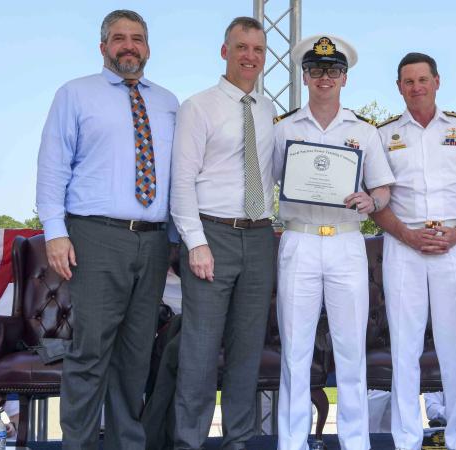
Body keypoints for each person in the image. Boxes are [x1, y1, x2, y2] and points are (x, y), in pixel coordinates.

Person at [35, 9, 178, 449]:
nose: (128, 46)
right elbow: (52, 166)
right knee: (90, 352)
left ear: (148, 48)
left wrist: (177, 240)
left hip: (154, 242)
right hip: (96, 236)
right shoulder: (75, 94)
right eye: (119, 38)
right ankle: (76, 444)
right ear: (103, 48)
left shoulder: (169, 102)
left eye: (137, 38)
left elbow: (179, 176)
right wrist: (55, 232)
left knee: (135, 356)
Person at [272, 34, 394, 450]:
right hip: (300, 240)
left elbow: (383, 191)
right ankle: (292, 442)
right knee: (295, 352)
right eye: (317, 70)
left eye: (333, 70)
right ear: (305, 75)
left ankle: (355, 443)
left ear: (345, 77)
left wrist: (370, 199)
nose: (325, 77)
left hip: (345, 242)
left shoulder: (364, 131)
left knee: (350, 352)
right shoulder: (284, 127)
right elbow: (269, 180)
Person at [372, 52, 456, 450]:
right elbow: (378, 201)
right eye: (408, 82)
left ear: (437, 82)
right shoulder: (384, 134)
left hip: (453, 246)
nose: (416, 88)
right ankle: (407, 438)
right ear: (399, 87)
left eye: (423, 80)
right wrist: (407, 235)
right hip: (404, 247)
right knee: (405, 347)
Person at [170, 17, 277, 450]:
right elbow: (182, 181)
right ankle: (188, 443)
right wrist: (195, 243)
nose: (249, 56)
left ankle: (238, 441)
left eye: (257, 49)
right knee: (198, 352)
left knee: (246, 352)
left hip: (260, 236)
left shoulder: (270, 110)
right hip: (212, 235)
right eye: (241, 47)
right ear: (224, 51)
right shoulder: (198, 107)